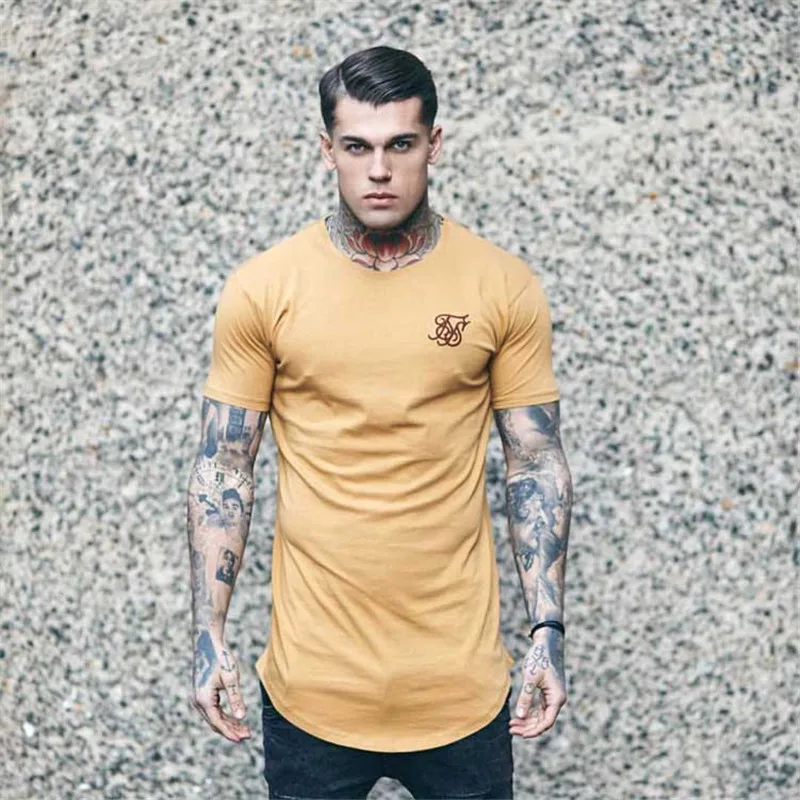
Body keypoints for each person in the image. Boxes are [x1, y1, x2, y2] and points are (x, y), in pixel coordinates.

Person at [187, 45, 573, 800]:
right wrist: (209, 635)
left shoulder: (501, 285)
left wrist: (548, 633)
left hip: (461, 690)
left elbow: (535, 462)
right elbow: (224, 466)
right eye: (357, 147)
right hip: (312, 692)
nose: (380, 170)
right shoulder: (265, 289)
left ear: (434, 144)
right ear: (326, 149)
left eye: (400, 144)